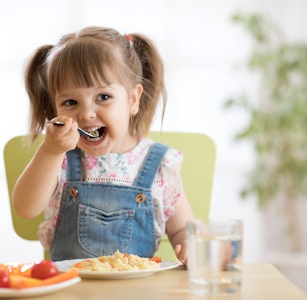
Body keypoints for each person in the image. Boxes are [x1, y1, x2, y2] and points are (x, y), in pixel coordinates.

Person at [12, 26, 194, 263]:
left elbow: (182, 230)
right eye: (70, 102)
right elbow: (25, 208)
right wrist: (50, 151)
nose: (86, 114)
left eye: (103, 97)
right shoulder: (60, 159)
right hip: (71, 290)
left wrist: (189, 244)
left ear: (133, 99)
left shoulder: (160, 165)